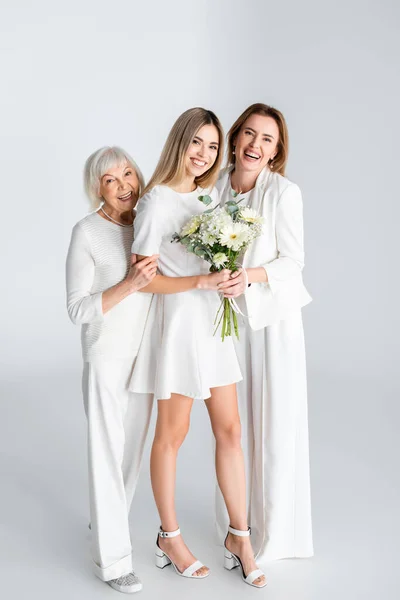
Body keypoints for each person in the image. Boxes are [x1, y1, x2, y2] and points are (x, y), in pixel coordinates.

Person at [129, 107, 267, 587]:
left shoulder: (209, 200)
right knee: (173, 435)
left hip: (214, 326)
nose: (205, 154)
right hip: (180, 329)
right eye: (197, 144)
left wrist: (227, 279)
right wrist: (200, 280)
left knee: (230, 431)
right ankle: (169, 535)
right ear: (179, 143)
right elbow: (143, 281)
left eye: (212, 146)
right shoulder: (156, 202)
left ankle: (239, 536)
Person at [215, 103, 313, 561]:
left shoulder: (283, 193)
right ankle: (238, 521)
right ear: (234, 139)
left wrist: (248, 276)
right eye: (249, 134)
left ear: (275, 152)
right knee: (230, 429)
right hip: (224, 323)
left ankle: (273, 533)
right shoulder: (212, 191)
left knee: (273, 423)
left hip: (273, 323)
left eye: (267, 139)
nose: (256, 145)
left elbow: (293, 262)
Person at [66, 146, 159, 593]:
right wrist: (129, 284)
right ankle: (113, 561)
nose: (123, 186)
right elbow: (77, 309)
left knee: (129, 455)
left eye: (127, 174)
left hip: (146, 357)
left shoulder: (149, 224)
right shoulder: (86, 232)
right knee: (106, 452)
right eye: (110, 180)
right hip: (105, 357)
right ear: (97, 189)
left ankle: (108, 521)